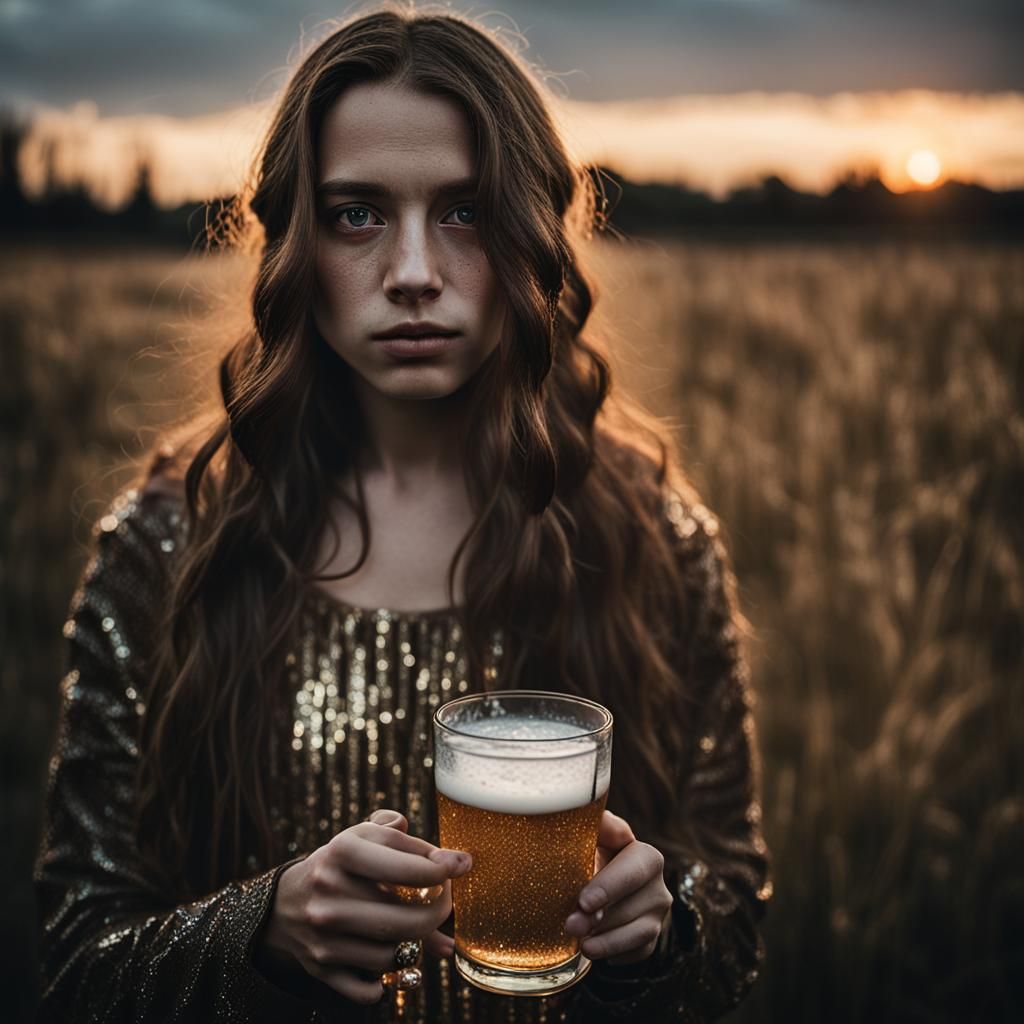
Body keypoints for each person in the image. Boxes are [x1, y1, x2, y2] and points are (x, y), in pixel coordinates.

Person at [32, 4, 772, 1022]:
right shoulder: (168, 544)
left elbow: (733, 939)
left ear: (529, 233)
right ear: (294, 242)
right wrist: (260, 930)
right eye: (356, 213)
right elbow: (75, 962)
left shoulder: (651, 535)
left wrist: (664, 930)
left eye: (464, 212)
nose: (414, 274)